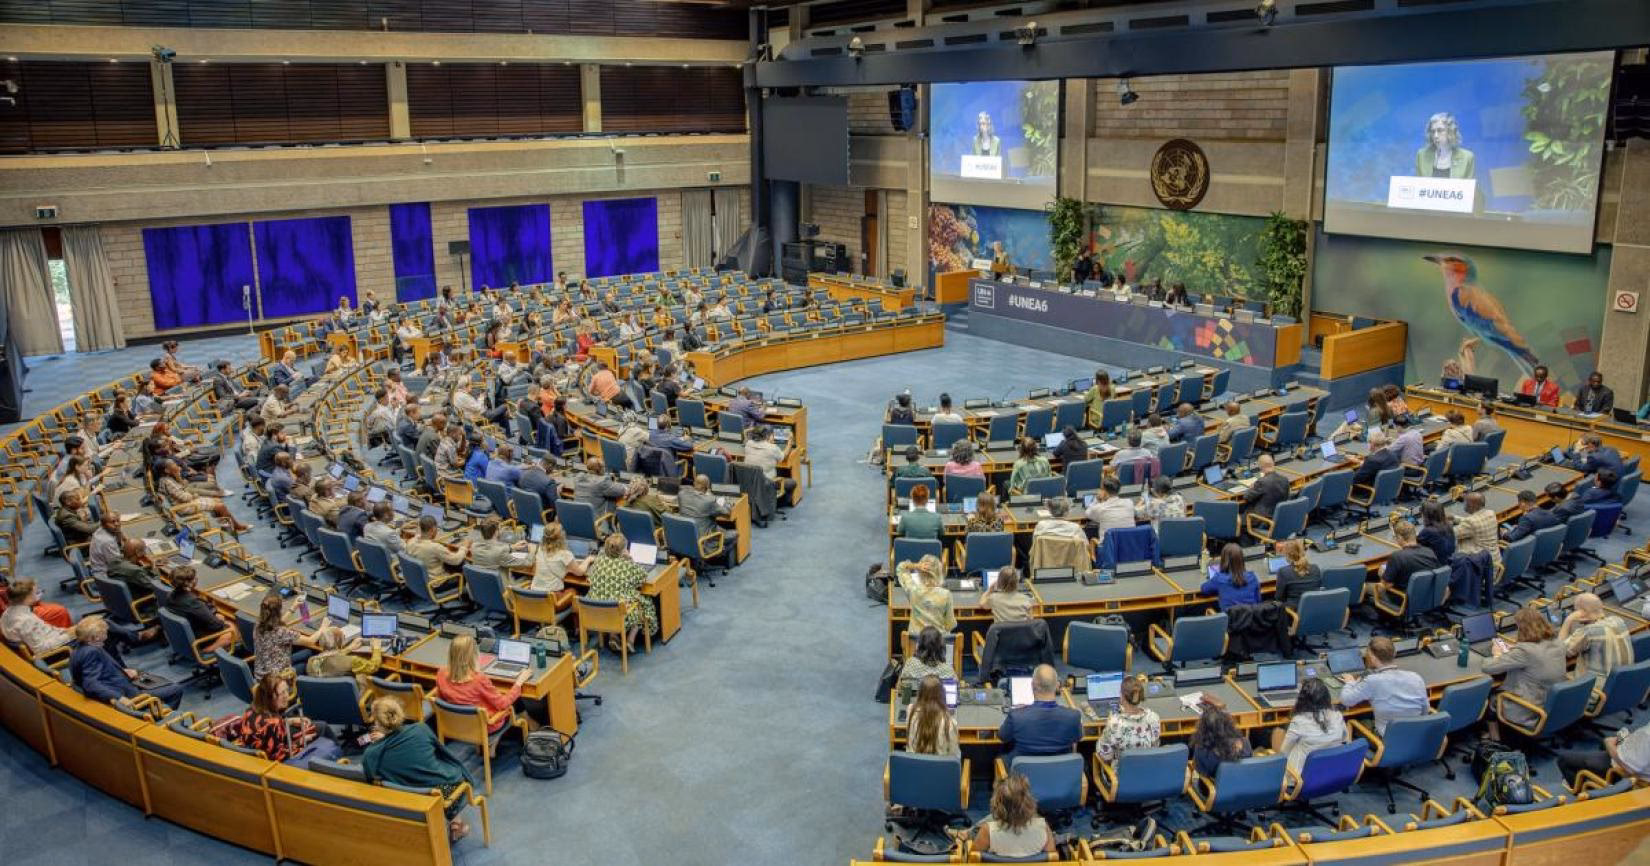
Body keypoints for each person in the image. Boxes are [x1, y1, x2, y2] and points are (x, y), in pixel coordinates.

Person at [361, 697, 478, 842]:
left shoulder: (370, 754)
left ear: (378, 724)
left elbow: (370, 777)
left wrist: (383, 741)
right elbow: (444, 754)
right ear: (399, 713)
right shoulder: (420, 729)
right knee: (452, 775)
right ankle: (456, 825)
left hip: (405, 798)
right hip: (439, 792)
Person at [1484, 605, 1570, 739]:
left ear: (1522, 628)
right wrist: (1515, 650)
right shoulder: (1558, 642)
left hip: (1529, 708)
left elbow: (1488, 667)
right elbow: (1538, 655)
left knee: (1492, 694)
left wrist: (1497, 654)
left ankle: (1495, 738)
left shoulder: (1525, 650)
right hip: (1552, 703)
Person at [69, 615, 183, 709]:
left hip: (120, 682)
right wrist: (119, 698)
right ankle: (161, 718)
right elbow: (91, 684)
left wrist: (122, 671)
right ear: (94, 637)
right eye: (104, 633)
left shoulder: (78, 648)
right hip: (129, 694)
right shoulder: (91, 652)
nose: (106, 635)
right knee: (175, 689)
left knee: (154, 680)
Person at [220, 673, 331, 763]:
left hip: (262, 747)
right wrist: (301, 741)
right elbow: (279, 756)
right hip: (274, 759)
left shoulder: (251, 709)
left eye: (287, 690)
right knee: (322, 727)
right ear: (270, 697)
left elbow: (267, 730)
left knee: (316, 726)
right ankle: (338, 763)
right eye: (282, 693)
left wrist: (289, 721)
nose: (287, 696)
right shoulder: (273, 724)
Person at [436, 634, 529, 733]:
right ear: (473, 656)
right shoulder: (478, 680)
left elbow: (441, 700)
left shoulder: (441, 673)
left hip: (455, 724)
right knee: (516, 699)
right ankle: (531, 731)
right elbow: (503, 704)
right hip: (484, 726)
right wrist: (519, 682)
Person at [1338, 636, 1431, 733]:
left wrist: (1350, 682)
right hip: (1417, 736)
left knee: (1358, 720)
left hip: (1385, 740)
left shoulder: (1372, 681)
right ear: (1394, 654)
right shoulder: (1416, 678)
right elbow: (1425, 711)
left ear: (1372, 658)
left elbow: (1346, 700)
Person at [586, 532, 659, 648]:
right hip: (619, 614)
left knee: (611, 599)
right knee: (644, 604)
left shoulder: (599, 560)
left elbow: (590, 577)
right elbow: (643, 577)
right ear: (624, 549)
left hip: (596, 612)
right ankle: (630, 640)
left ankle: (613, 636)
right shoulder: (627, 565)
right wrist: (630, 559)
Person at [997, 664, 1082, 759]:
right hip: (1061, 772)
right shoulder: (1073, 716)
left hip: (1023, 773)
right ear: (1057, 686)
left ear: (1032, 685)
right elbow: (1077, 737)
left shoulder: (1016, 716)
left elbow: (1002, 737)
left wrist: (1020, 711)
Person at [1272, 678, 1347, 774]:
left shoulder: (1299, 721)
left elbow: (1283, 753)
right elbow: (1345, 740)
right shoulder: (1337, 716)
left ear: (1302, 699)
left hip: (1299, 779)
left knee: (1278, 732)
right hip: (1332, 773)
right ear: (1327, 697)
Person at [971, 773, 1055, 858]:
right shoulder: (1043, 827)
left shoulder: (987, 831)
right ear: (1029, 802)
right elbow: (1051, 858)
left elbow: (973, 858)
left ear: (997, 804)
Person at [157, 459, 251, 534]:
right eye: (173, 464)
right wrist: (194, 495)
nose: (176, 465)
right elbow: (185, 497)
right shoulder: (168, 482)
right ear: (166, 470)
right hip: (184, 507)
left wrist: (177, 475)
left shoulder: (168, 478)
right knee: (221, 506)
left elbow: (184, 486)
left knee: (218, 502)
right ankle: (236, 528)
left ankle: (229, 527)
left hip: (186, 503)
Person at [1556, 719, 1650, 787]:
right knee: (1604, 743)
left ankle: (1583, 792)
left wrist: (1610, 744)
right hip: (1630, 753)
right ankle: (1597, 778)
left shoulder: (1647, 736)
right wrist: (1625, 739)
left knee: (1563, 760)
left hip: (1618, 769)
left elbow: (1628, 767)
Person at [162, 568, 235, 654]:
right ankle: (206, 651)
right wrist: (221, 619)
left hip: (185, 634)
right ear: (189, 583)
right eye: (195, 578)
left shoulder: (170, 595)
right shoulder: (192, 602)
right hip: (200, 637)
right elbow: (216, 626)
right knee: (233, 627)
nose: (197, 579)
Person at [1561, 592, 1633, 680]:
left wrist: (1568, 620)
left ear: (1582, 612)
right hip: (1623, 681)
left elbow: (1560, 650)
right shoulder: (1618, 620)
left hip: (1598, 689)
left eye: (1575, 610)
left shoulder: (1588, 632)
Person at [251, 590, 319, 679]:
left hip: (261, 674)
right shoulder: (282, 632)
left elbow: (275, 625)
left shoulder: (258, 624)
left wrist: (293, 608)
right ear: (279, 612)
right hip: (276, 680)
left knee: (307, 652)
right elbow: (311, 641)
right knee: (305, 665)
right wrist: (324, 627)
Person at [1095, 676, 1161, 765]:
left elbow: (1106, 756)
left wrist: (1109, 723)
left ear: (1122, 697)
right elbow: (1155, 747)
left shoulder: (1115, 723)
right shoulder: (1153, 718)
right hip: (1148, 770)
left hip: (1122, 776)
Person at [1, 580, 76, 656]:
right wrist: (68, 636)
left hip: (53, 639)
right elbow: (40, 649)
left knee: (85, 627)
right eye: (36, 593)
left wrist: (65, 631)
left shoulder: (7, 613)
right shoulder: (26, 620)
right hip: (55, 652)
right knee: (87, 634)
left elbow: (45, 629)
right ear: (28, 598)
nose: (38, 594)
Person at [1191, 699, 1252, 777]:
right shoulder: (1245, 743)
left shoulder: (1202, 751)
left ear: (1203, 728)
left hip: (1216, 788)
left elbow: (1201, 772)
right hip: (1245, 785)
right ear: (1229, 724)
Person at [897, 555, 954, 636]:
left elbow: (900, 568)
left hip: (916, 643)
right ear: (939, 573)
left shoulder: (913, 590)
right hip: (939, 644)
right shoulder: (946, 595)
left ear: (920, 574)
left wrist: (916, 566)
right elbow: (950, 625)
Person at [305, 624, 382, 684]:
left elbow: (331, 657)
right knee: (363, 676)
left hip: (322, 697)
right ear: (340, 643)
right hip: (348, 699)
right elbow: (373, 666)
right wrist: (376, 648)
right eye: (343, 637)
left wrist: (349, 648)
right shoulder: (352, 661)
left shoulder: (311, 661)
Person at [1379, 519, 1441, 593]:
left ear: (1400, 538)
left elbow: (1387, 585)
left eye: (1395, 537)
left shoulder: (1397, 557)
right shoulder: (1430, 552)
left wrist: (1382, 574)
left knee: (1366, 587)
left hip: (1402, 600)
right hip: (1426, 597)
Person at [906, 675, 960, 757]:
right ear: (942, 694)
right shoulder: (950, 723)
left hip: (914, 765)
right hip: (940, 768)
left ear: (920, 693)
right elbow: (953, 754)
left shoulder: (910, 711)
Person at [1201, 543, 1261, 610]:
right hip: (1250, 619)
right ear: (1242, 560)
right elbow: (1258, 601)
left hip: (1229, 620)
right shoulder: (1253, 577)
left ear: (1224, 561)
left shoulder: (1219, 579)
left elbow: (1204, 589)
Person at [744, 425, 797, 500]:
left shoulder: (748, 444)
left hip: (750, 483)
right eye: (772, 434)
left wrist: (753, 429)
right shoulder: (772, 448)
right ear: (767, 436)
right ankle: (778, 503)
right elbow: (784, 455)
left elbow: (745, 433)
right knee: (792, 483)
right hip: (766, 483)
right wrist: (790, 441)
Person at [1454, 491, 1501, 568]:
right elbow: (1476, 522)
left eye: (1466, 502)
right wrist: (1454, 518)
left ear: (1472, 505)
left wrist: (1440, 522)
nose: (1464, 504)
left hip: (1479, 568)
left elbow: (1451, 533)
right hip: (1494, 563)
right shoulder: (1491, 513)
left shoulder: (1471, 522)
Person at [1241, 454, 1291, 521]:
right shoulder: (1285, 479)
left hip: (1260, 519)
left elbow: (1246, 497)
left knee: (1236, 514)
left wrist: (1251, 487)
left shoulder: (1262, 482)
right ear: (1273, 463)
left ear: (1260, 467)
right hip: (1277, 518)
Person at [1274, 539, 1322, 608]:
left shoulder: (1283, 572)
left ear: (1287, 555)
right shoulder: (1315, 568)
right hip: (1315, 607)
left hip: (1294, 612)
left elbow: (1279, 598)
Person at [1416, 498, 1457, 564]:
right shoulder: (1449, 526)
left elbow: (1415, 547)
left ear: (1426, 515)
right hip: (1449, 563)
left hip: (1435, 565)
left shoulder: (1427, 531)